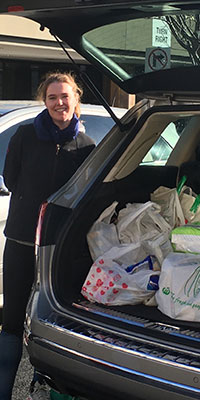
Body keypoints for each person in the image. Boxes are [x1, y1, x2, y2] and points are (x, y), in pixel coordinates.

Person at [0, 72, 95, 400]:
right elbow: (11, 178)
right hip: (20, 241)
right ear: (45, 100)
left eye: (64, 97)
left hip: (59, 248)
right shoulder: (25, 135)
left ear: (75, 99)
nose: (59, 103)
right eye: (53, 97)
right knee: (11, 320)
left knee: (51, 318)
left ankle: (42, 387)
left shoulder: (87, 145)